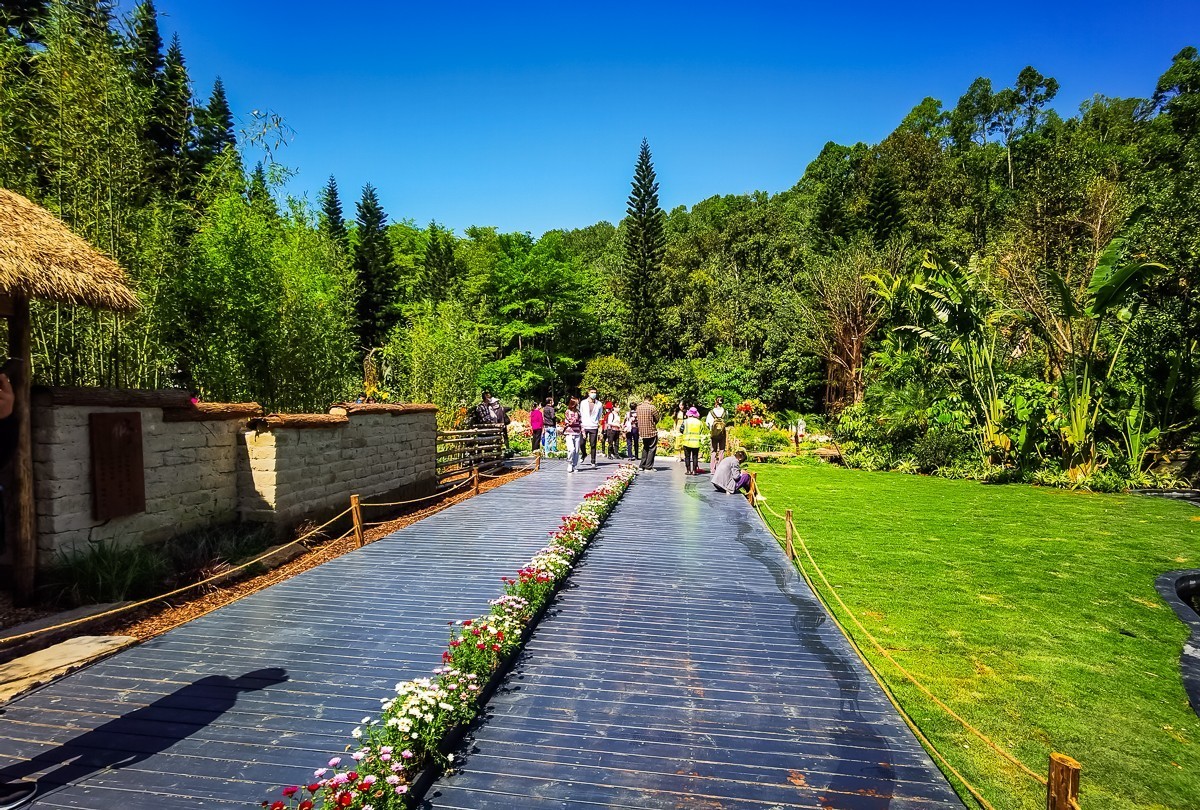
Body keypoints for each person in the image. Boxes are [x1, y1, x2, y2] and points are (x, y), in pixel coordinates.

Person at [635, 394, 660, 472]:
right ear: (650, 400)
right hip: (651, 431)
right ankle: (648, 467)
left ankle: (642, 465)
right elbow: (657, 418)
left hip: (642, 431)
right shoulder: (652, 407)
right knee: (652, 448)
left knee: (645, 448)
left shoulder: (638, 407)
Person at [579, 387, 603, 468]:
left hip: (593, 426)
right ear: (588, 393)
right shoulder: (583, 403)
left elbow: (599, 415)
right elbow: (580, 413)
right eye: (592, 392)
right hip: (584, 425)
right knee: (582, 443)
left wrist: (596, 422)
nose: (593, 394)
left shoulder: (599, 404)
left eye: (595, 392)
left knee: (593, 444)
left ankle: (593, 460)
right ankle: (584, 454)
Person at [680, 407, 704, 475]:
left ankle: (688, 470)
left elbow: (681, 430)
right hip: (696, 442)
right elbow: (701, 431)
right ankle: (694, 471)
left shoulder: (685, 421)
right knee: (695, 457)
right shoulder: (700, 423)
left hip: (686, 441)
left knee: (687, 457)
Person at [562, 397, 583, 473]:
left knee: (577, 450)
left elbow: (581, 422)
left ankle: (574, 465)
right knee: (571, 449)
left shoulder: (579, 412)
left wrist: (583, 432)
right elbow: (570, 422)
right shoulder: (567, 412)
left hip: (577, 432)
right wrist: (575, 417)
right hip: (569, 433)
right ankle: (569, 463)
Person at [707, 396, 728, 465]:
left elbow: (707, 423)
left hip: (714, 433)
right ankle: (720, 467)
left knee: (713, 450)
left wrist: (711, 429)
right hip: (722, 433)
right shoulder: (725, 412)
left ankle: (713, 468)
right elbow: (726, 421)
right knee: (721, 450)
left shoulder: (711, 412)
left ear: (716, 401)